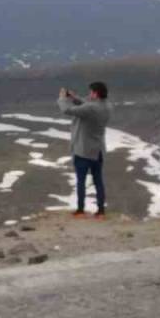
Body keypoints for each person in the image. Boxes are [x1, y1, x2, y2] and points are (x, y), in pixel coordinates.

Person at [57, 81, 112, 219]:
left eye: (91, 92)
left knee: (81, 181)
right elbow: (86, 104)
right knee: (98, 180)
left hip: (83, 150)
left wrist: (63, 98)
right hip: (98, 150)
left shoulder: (91, 108)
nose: (89, 94)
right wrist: (74, 97)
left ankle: (80, 210)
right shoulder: (108, 106)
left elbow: (67, 110)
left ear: (95, 93)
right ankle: (101, 211)